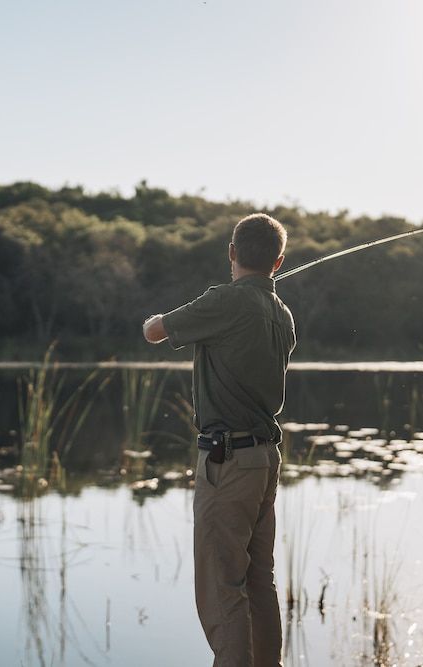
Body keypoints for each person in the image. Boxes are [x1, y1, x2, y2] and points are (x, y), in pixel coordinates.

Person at [142, 213, 295, 667]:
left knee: (221, 587)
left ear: (231, 253)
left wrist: (157, 315)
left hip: (227, 464)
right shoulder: (283, 314)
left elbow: (154, 331)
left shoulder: (223, 301)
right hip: (266, 460)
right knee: (257, 579)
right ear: (279, 262)